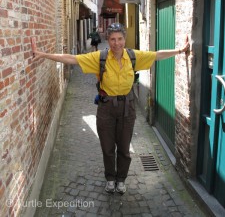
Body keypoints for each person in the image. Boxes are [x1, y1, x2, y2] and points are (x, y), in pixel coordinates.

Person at [33, 23, 190, 194]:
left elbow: (157, 55)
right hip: (106, 108)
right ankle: (110, 179)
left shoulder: (133, 56)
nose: (117, 43)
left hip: (127, 108)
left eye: (120, 39)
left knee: (124, 148)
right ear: (107, 40)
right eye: (113, 39)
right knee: (107, 148)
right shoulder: (99, 58)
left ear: (125, 39)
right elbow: (72, 58)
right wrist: (43, 55)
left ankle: (121, 180)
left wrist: (180, 51)